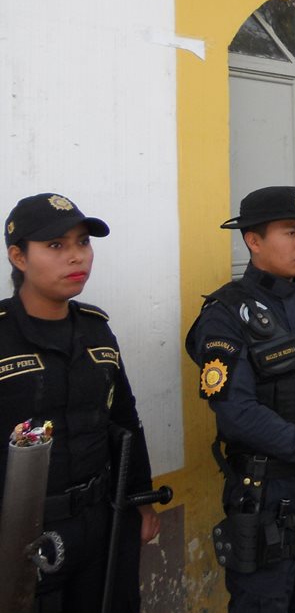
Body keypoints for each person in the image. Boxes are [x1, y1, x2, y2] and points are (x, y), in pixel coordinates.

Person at [186, 186, 295, 612]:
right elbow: (236, 413)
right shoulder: (226, 314)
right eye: (290, 232)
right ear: (253, 240)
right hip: (270, 493)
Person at [2, 193, 160, 613]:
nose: (76, 257)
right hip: (21, 533)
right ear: (19, 257)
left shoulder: (96, 331)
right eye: (56, 246)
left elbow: (125, 418)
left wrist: (140, 500)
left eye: (82, 243)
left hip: (102, 519)